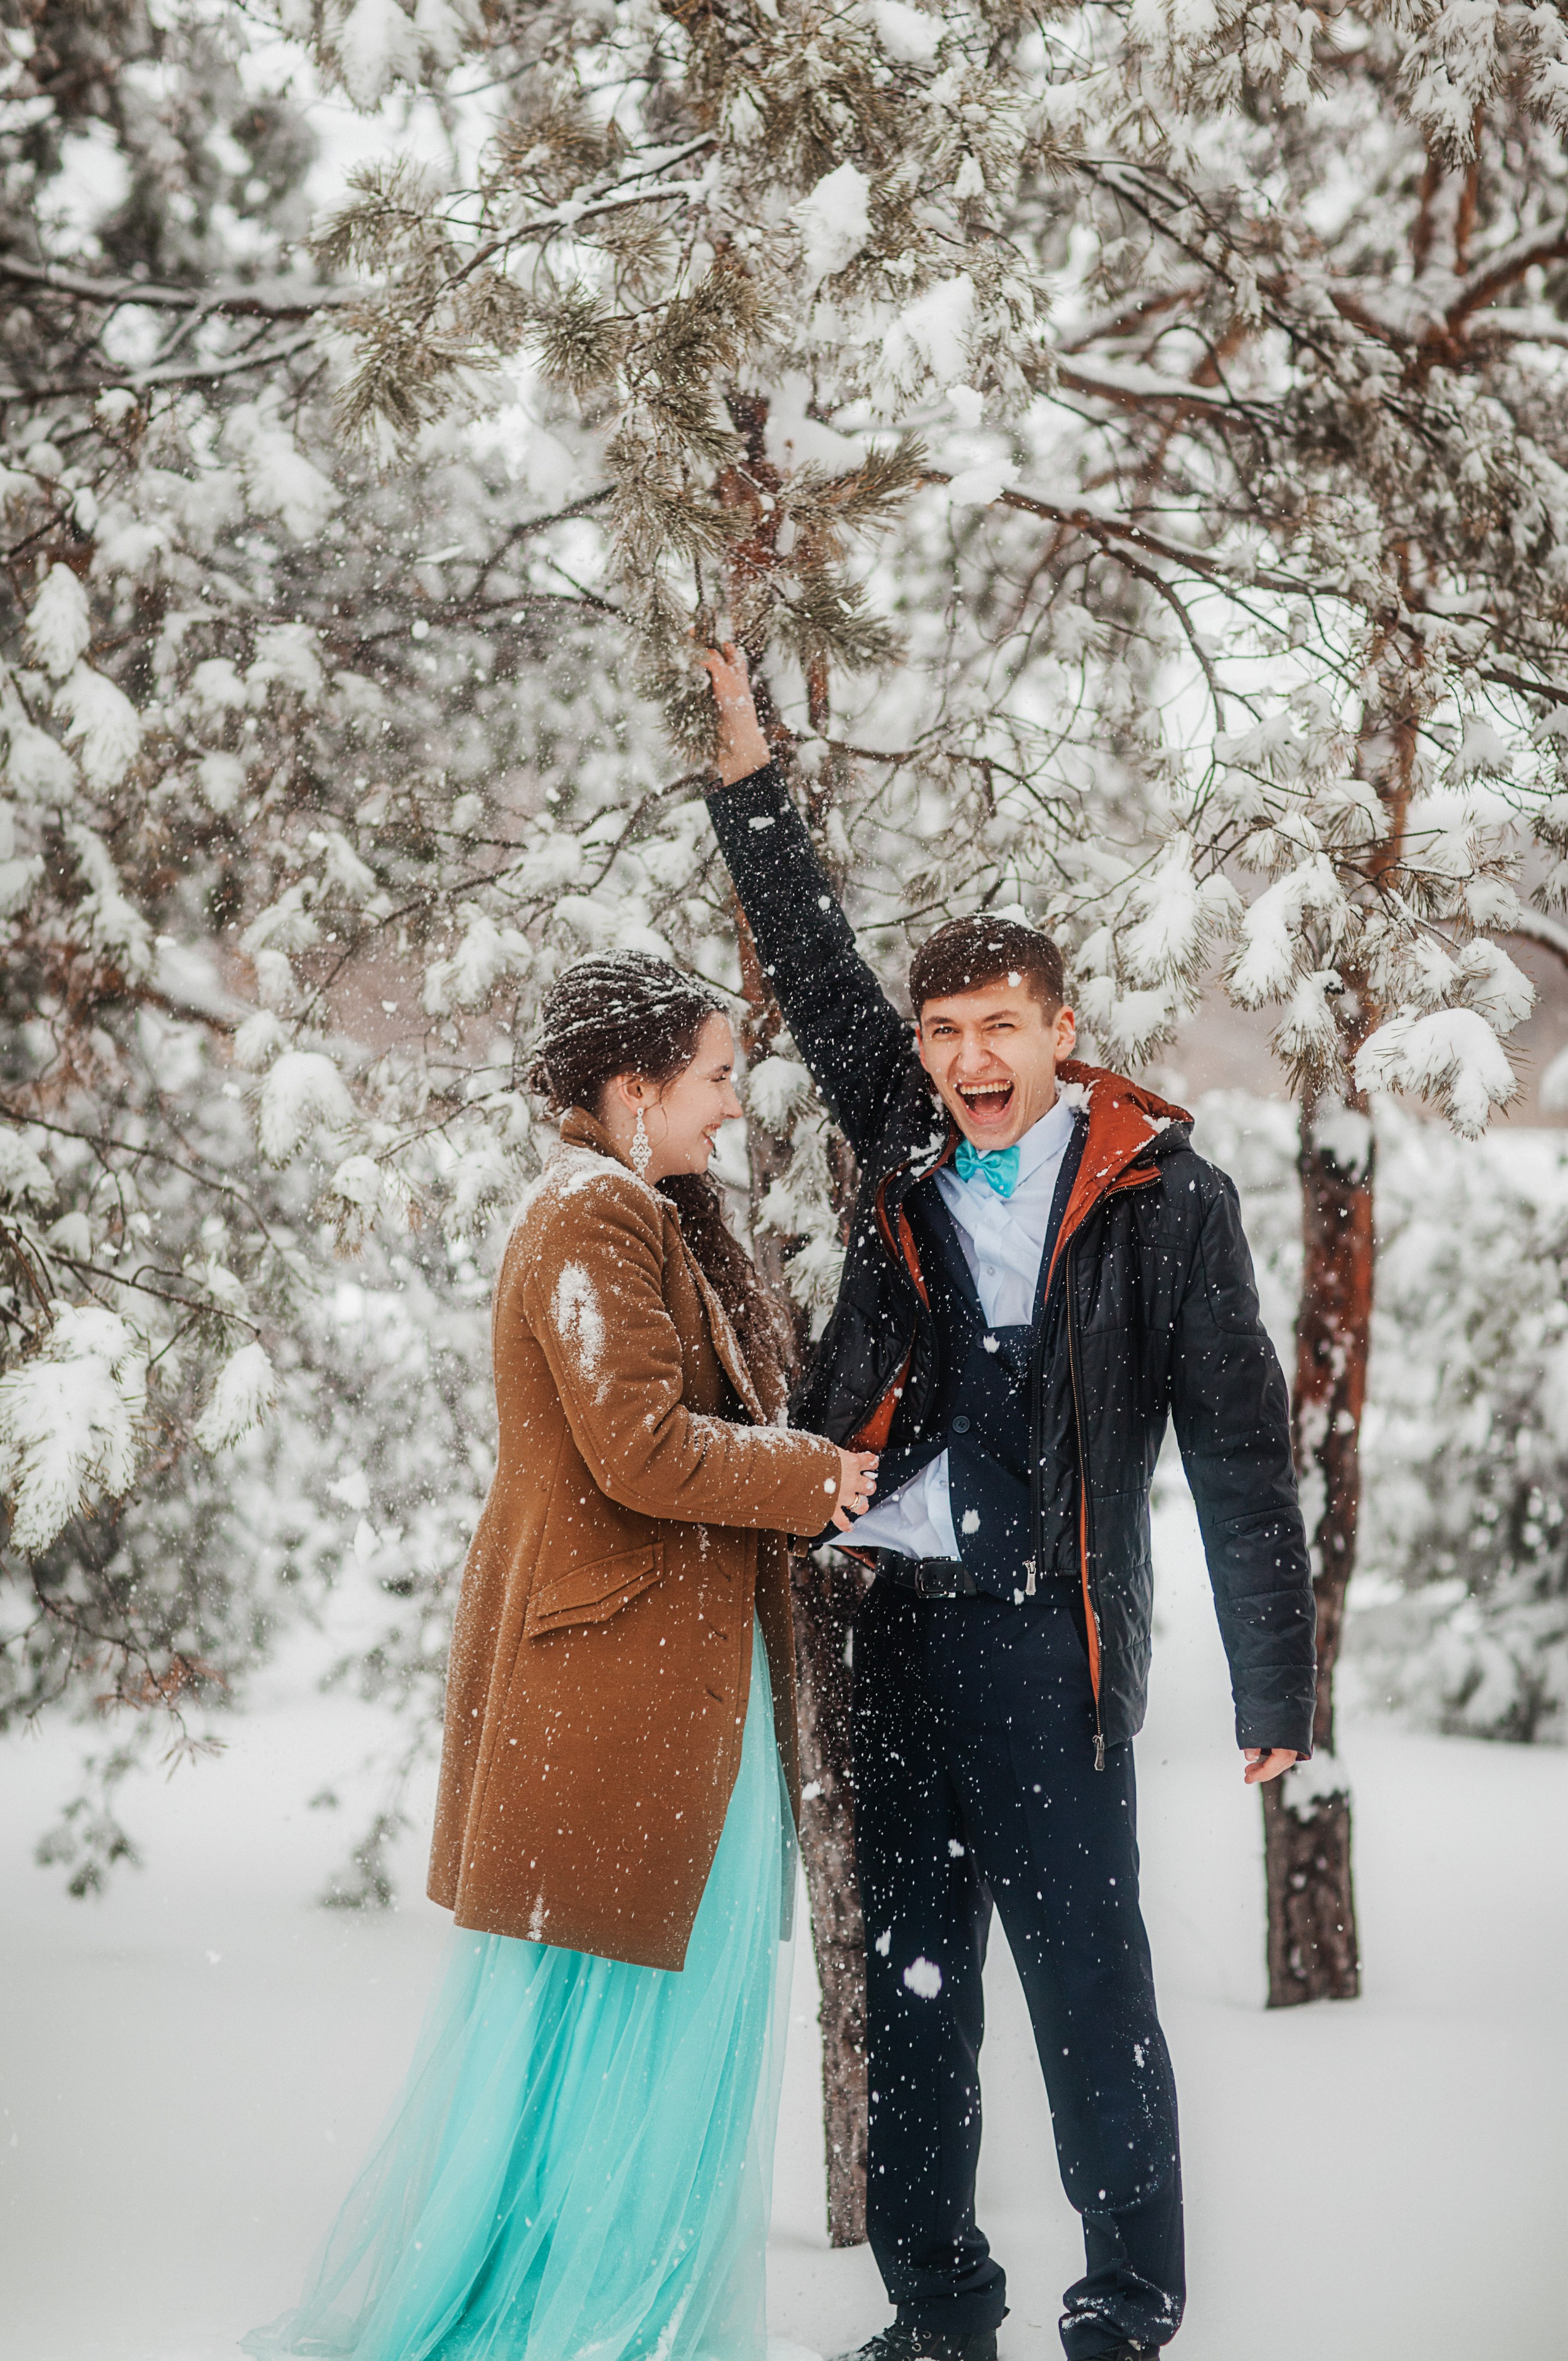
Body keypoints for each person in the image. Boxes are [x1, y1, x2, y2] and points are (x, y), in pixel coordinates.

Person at [698, 644, 1317, 2361]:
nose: (972, 1059)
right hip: (892, 1637)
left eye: (1001, 1030)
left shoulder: (1165, 1202)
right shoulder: (900, 1137)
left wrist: (1279, 1690)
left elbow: (1243, 1456)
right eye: (946, 1032)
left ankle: (1123, 2307)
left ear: (1062, 1033)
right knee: (909, 2006)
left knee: (1091, 1995)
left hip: (1055, 1647)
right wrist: (746, 771)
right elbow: (810, 959)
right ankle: (937, 2311)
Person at [243, 951, 878, 2361]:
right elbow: (641, 1450)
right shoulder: (594, 1215)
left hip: (648, 1691)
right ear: (632, 1086)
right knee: (625, 2033)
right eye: (712, 1078)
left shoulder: (625, 1207)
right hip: (625, 1698)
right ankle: (591, 2327)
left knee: (609, 2028)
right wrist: (812, 1478)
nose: (728, 1107)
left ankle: (580, 2315)